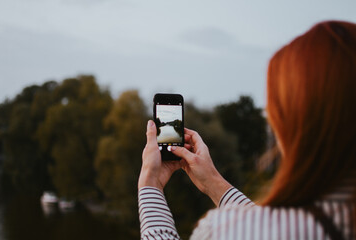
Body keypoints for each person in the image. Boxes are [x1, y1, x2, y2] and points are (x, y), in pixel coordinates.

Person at [138, 20, 356, 240]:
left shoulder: (226, 231)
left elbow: (261, 231)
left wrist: (150, 184)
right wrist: (213, 181)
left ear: (290, 124)